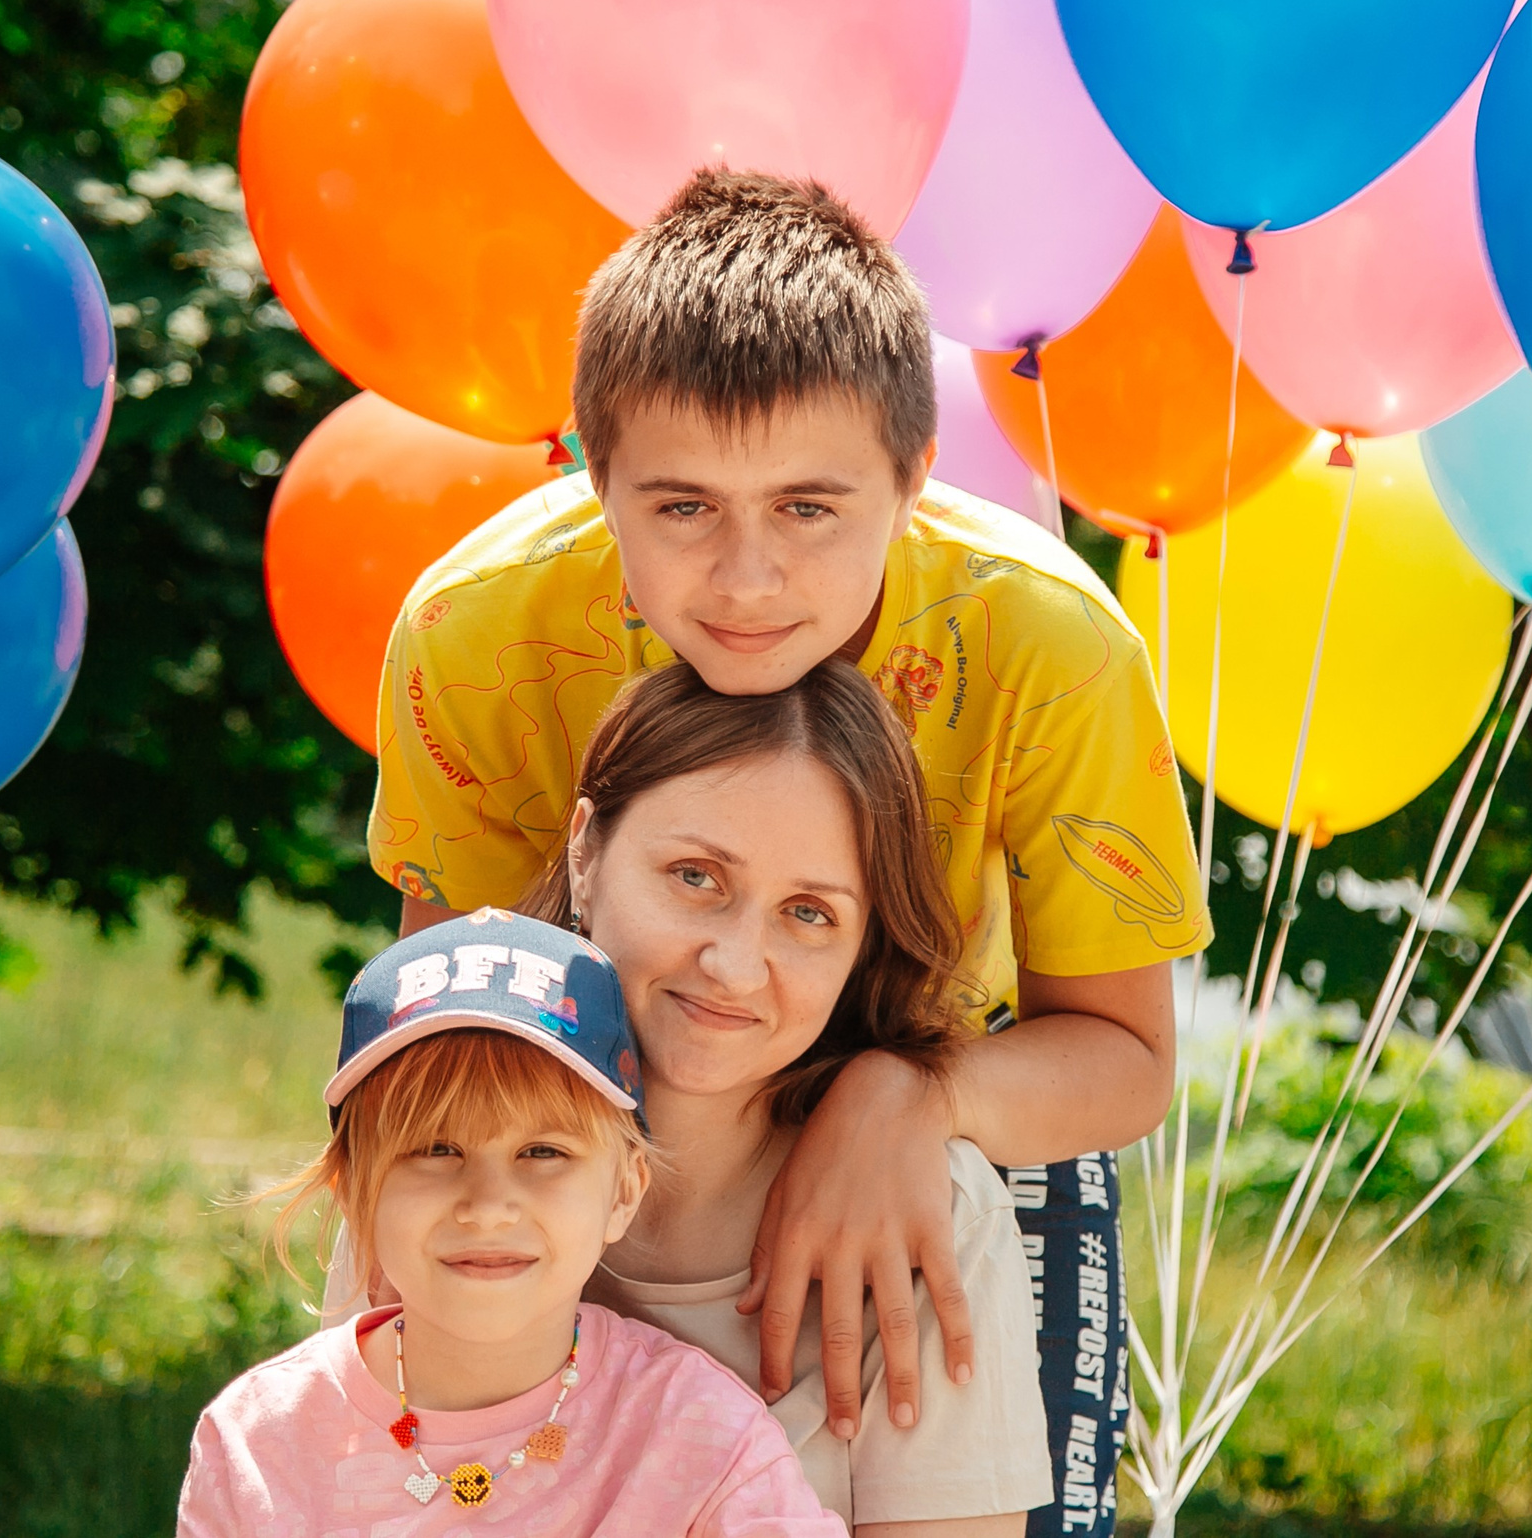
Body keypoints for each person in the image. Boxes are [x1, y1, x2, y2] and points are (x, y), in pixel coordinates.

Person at [370, 169, 1206, 1536]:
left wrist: (909, 1098)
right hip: (586, 1113)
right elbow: (449, 1038)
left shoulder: (1052, 644)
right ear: (593, 466)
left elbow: (1124, 1055)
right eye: (683, 506)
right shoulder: (476, 628)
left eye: (811, 508)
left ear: (915, 476)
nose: (748, 578)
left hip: (967, 1083)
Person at [336, 661, 1053, 1532]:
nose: (734, 965)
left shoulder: (930, 1211)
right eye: (694, 877)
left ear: (865, 946)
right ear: (587, 850)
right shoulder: (434, 1160)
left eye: (810, 913)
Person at [178, 910, 846, 1536]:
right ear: (354, 1189)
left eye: (543, 1152)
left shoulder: (701, 1438)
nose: (489, 1204)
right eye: (437, 1149)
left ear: (623, 1191)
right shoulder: (260, 1445)